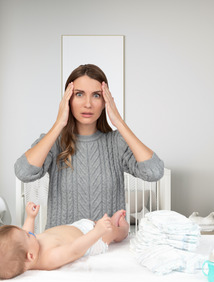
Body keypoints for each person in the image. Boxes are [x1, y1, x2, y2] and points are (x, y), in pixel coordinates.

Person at [14, 64, 164, 229]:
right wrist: (58, 124)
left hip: (108, 248)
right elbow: (23, 172)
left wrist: (119, 122)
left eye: (96, 96)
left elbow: (154, 172)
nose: (88, 104)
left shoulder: (116, 143)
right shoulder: (54, 142)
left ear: (105, 101)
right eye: (79, 94)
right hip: (63, 248)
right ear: (68, 99)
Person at [0, 202, 129, 280]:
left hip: (77, 227)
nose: (29, 232)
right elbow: (75, 250)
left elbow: (27, 233)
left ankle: (106, 223)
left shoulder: (29, 248)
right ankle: (122, 229)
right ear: (30, 256)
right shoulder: (49, 258)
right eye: (26, 235)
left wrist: (30, 217)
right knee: (111, 231)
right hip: (90, 241)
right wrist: (97, 232)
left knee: (98, 222)